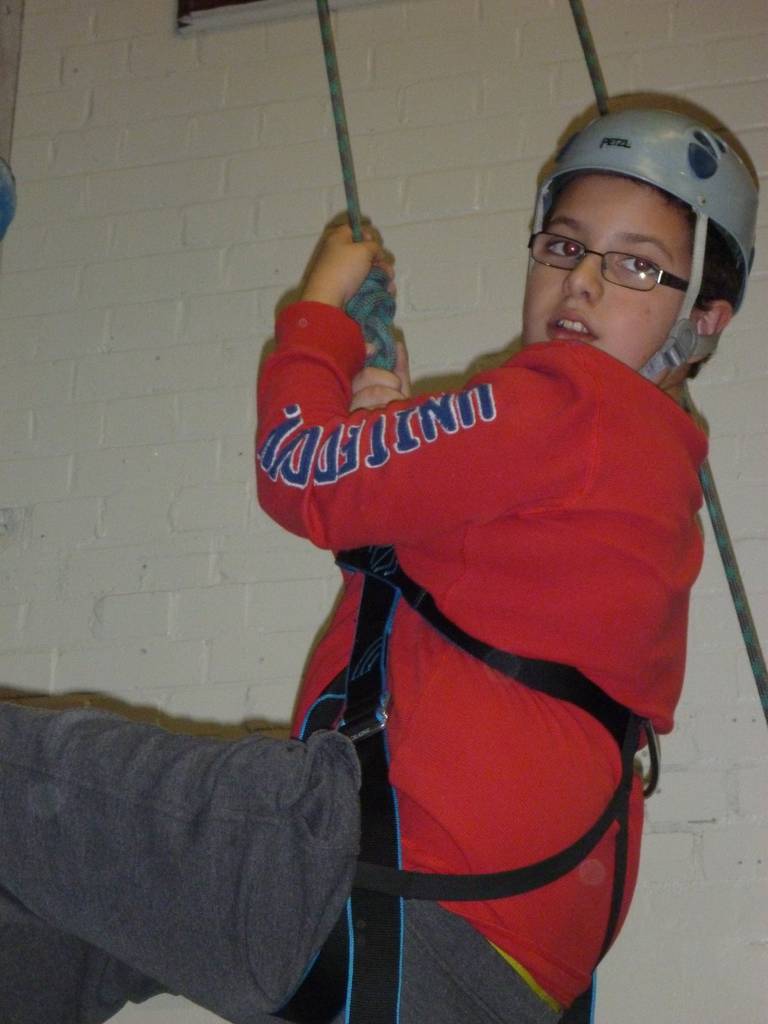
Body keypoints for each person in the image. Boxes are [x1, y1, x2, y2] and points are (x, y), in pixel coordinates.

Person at [0, 108, 757, 1024]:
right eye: (563, 246)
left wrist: (318, 308)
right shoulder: (643, 477)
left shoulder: (583, 404)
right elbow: (403, 558)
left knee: (26, 782)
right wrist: (380, 422)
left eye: (637, 265)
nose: (584, 283)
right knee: (56, 921)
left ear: (703, 320)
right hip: (484, 962)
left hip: (383, 878)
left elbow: (302, 475)